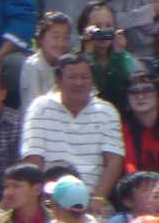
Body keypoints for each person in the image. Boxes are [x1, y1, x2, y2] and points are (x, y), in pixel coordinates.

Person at [22, 54, 125, 202]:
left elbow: (114, 161)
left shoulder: (107, 111)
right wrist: (43, 199)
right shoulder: (40, 107)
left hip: (92, 198)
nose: (79, 82)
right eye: (72, 77)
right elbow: (33, 156)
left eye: (84, 77)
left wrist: (98, 199)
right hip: (50, 197)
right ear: (58, 80)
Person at [80, 7, 140, 113]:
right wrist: (88, 54)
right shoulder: (76, 60)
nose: (103, 31)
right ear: (84, 30)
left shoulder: (126, 58)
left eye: (108, 26)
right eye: (97, 27)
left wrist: (119, 54)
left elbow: (123, 89)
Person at [18, 12, 72, 109]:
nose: (60, 43)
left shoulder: (68, 64)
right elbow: (34, 107)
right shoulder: (33, 65)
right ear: (41, 38)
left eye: (66, 38)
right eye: (55, 37)